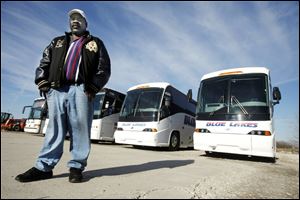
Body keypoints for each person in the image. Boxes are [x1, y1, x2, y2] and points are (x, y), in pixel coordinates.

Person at [15, 8, 111, 183]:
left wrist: (93, 86)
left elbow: (103, 68)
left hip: (81, 90)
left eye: (79, 18)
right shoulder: (57, 42)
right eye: (72, 18)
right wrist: (42, 81)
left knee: (80, 129)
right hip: (57, 89)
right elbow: (44, 61)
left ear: (86, 23)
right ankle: (43, 167)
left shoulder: (95, 43)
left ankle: (76, 167)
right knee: (54, 129)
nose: (75, 21)